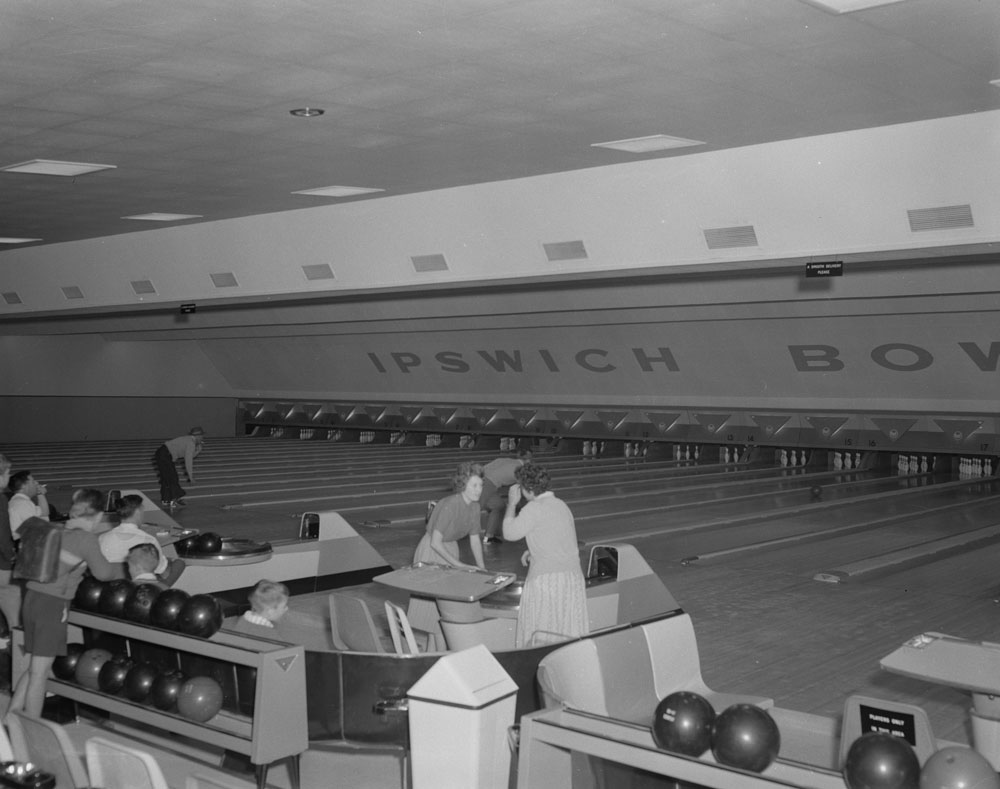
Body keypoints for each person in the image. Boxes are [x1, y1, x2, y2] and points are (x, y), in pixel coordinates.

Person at [8, 489, 125, 717]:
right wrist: (126, 568)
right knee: (40, 675)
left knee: (35, 666)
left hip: (31, 600)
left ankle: (10, 717)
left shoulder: (57, 529)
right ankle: (32, 728)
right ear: (99, 516)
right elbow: (103, 573)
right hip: (52, 606)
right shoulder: (85, 539)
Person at [502, 462, 588, 648]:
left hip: (547, 581)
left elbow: (509, 533)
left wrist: (511, 504)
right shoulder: (561, 505)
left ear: (527, 488)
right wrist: (534, 551)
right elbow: (558, 538)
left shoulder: (533, 508)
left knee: (542, 636)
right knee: (566, 635)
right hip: (572, 580)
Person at [413, 462, 486, 570]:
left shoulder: (475, 507)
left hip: (450, 548)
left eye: (481, 485)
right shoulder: (450, 505)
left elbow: (475, 540)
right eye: (474, 485)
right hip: (431, 550)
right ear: (463, 485)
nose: (479, 490)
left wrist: (482, 568)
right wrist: (461, 565)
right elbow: (435, 543)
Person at [100, 495, 184, 585]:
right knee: (179, 563)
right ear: (138, 512)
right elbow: (164, 573)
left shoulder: (102, 538)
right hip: (139, 589)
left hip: (110, 588)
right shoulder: (148, 540)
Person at [481, 448, 532, 544]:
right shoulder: (520, 470)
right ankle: (451, 530)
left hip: (476, 479)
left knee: (498, 505)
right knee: (473, 508)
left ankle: (489, 536)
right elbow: (524, 490)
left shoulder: (505, 460)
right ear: (528, 460)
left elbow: (484, 469)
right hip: (486, 485)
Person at [153, 427, 204, 508]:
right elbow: (188, 461)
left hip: (162, 454)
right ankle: (173, 500)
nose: (202, 438)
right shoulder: (191, 443)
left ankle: (166, 500)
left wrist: (197, 451)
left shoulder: (189, 440)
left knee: (166, 478)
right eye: (201, 436)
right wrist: (191, 477)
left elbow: (189, 456)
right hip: (165, 455)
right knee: (173, 478)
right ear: (198, 436)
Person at [0, 456, 19, 634]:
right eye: (7, 473)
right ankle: (10, 636)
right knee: (7, 595)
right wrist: (10, 554)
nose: (8, 477)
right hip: (1, 560)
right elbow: (2, 531)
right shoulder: (1, 499)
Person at [7, 470, 49, 539]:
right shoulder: (22, 504)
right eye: (33, 481)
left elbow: (44, 512)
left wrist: (40, 494)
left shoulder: (21, 501)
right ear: (24, 486)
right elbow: (36, 529)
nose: (36, 483)